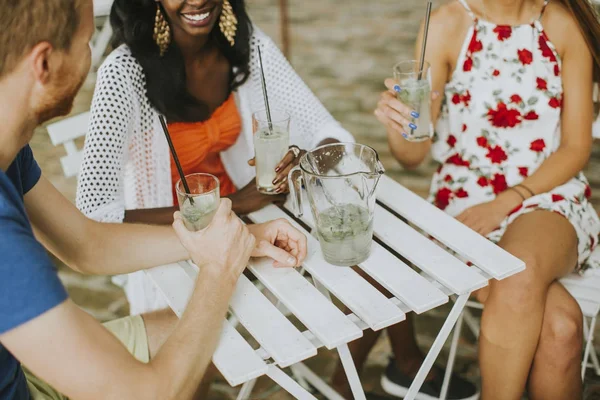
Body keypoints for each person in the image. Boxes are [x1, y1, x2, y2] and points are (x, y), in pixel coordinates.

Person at [0, 1, 308, 399]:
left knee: (229, 331)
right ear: (43, 64)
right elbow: (152, 392)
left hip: (21, 369)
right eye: (86, 41)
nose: (94, 55)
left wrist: (237, 237)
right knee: (204, 340)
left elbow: (86, 245)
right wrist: (218, 270)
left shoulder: (10, 149)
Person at [374, 0, 600, 399]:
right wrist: (400, 125)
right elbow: (412, 156)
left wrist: (505, 203)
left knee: (519, 269)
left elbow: (576, 147)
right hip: (464, 199)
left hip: (548, 191)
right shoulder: (446, 23)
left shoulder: (563, 26)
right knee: (561, 327)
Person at [75, 0, 357, 316]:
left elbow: (328, 133)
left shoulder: (245, 45)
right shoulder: (123, 72)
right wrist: (234, 202)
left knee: (353, 262)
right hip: (169, 246)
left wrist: (304, 166)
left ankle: (391, 362)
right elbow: (95, 214)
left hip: (252, 224)